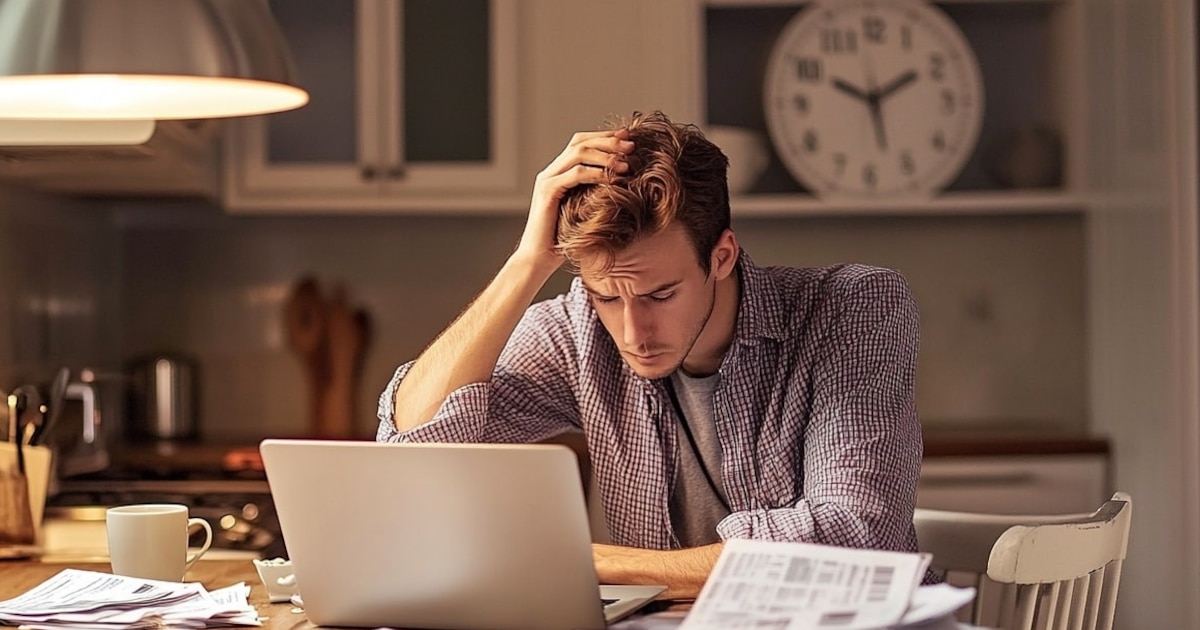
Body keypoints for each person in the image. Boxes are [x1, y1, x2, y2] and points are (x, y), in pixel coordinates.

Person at [376, 111, 923, 599]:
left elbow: (855, 533)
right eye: (607, 296)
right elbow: (411, 453)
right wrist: (527, 263)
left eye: (661, 295)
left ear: (722, 256)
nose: (633, 331)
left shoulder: (853, 306)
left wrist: (599, 564)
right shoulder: (576, 330)